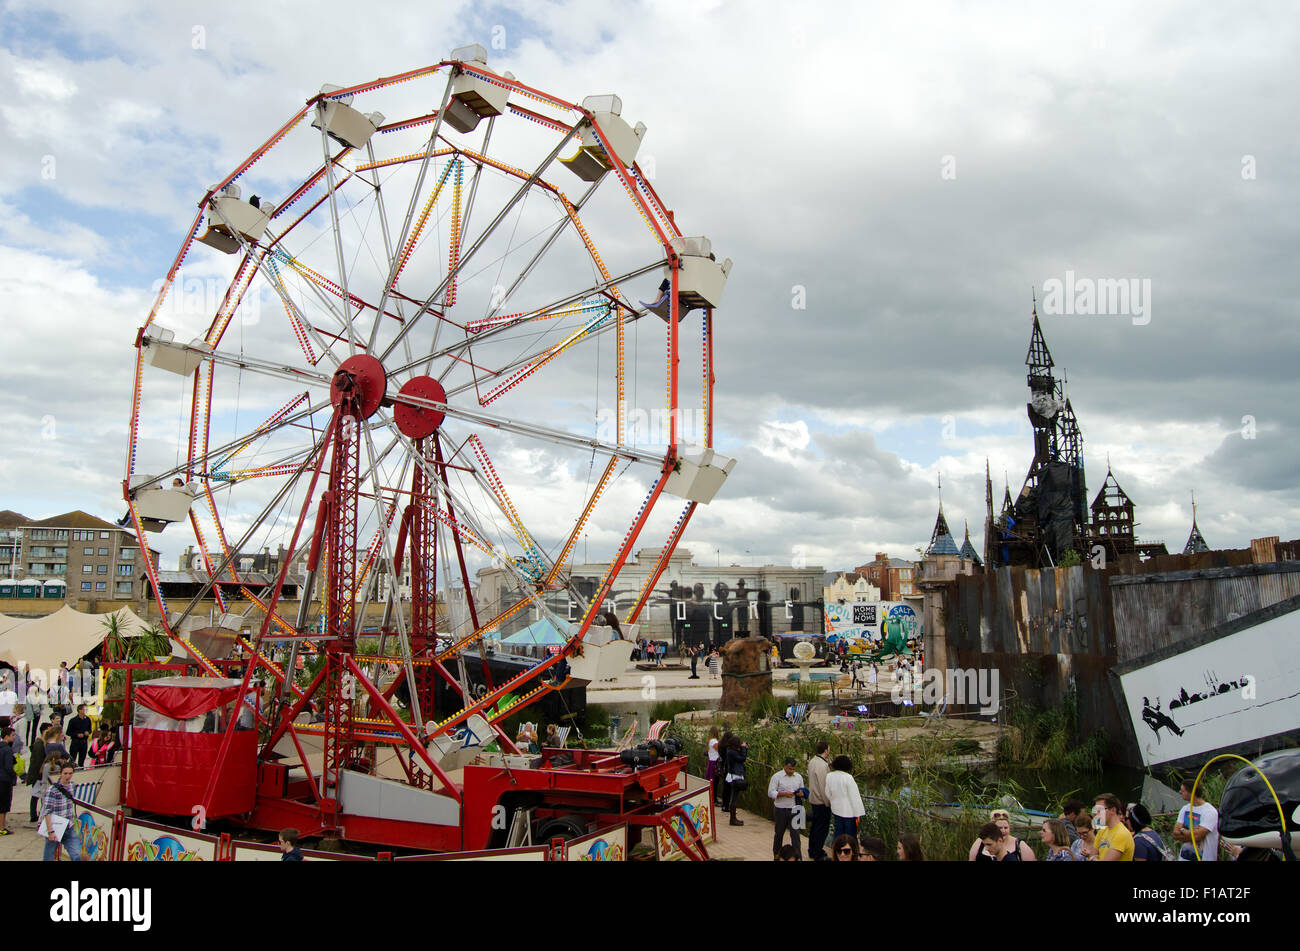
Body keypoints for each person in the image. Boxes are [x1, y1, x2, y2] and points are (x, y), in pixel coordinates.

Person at [39, 762, 80, 861]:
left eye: (70, 773)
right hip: (55, 827)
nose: (68, 776)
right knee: (48, 857)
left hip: (68, 827)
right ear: (61, 773)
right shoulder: (52, 790)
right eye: (65, 773)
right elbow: (47, 811)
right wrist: (50, 831)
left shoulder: (72, 785)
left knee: (76, 855)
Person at [1173, 776, 1219, 861]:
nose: (1180, 792)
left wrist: (1183, 830)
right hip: (1184, 858)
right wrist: (1191, 833)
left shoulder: (1210, 812)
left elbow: (1197, 836)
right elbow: (1175, 834)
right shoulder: (1185, 808)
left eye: (1182, 791)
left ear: (1191, 793)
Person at [768, 756, 804, 860]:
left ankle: (798, 857)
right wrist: (783, 794)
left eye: (793, 769)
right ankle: (777, 856)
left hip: (796, 809)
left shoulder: (799, 777)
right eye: (789, 769)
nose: (791, 771)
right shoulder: (777, 777)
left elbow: (802, 790)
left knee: (796, 836)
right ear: (784, 766)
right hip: (781, 809)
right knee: (779, 834)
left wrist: (801, 793)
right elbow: (770, 792)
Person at [825, 754, 865, 839]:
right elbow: (854, 797)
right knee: (850, 837)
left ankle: (836, 851)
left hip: (836, 810)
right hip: (849, 813)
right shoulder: (848, 778)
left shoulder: (829, 776)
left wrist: (834, 801)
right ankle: (849, 851)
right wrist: (858, 814)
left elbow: (827, 793)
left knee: (838, 835)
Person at [970, 809, 1034, 861]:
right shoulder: (980, 842)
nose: (1003, 831)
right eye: (1000, 828)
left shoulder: (1019, 845)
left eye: (1006, 828)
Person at [806, 740, 832, 861]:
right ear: (826, 750)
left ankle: (813, 849)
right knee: (821, 828)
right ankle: (817, 852)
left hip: (814, 799)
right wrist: (828, 802)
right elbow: (823, 785)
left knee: (815, 827)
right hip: (821, 801)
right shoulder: (822, 765)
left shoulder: (812, 761)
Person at [1093, 793, 1134, 861]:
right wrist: (1093, 857)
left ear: (1113, 810)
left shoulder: (1121, 834)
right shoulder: (1102, 830)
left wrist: (1094, 858)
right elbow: (1092, 853)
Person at [24, 722, 49, 822]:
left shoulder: (43, 742)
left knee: (38, 794)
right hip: (38, 774)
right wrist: (40, 773)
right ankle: (33, 815)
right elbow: (38, 761)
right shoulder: (39, 743)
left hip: (40, 773)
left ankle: (37, 813)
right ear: (44, 731)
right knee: (36, 794)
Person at [723, 735, 748, 826]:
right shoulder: (731, 752)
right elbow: (742, 758)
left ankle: (733, 818)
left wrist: (744, 749)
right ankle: (732, 819)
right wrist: (744, 748)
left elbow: (741, 757)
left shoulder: (731, 751)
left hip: (734, 775)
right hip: (735, 776)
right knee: (734, 798)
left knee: (734, 797)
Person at [0, 726, 16, 835]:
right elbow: (9, 767)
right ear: (6, 737)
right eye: (12, 735)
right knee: (4, 805)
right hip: (5, 780)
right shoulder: (7, 750)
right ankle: (1, 827)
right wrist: (14, 776)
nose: (14, 737)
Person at [66, 703, 92, 768]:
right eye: (84, 709)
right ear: (79, 710)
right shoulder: (73, 720)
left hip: (84, 742)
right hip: (75, 742)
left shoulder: (88, 719)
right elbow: (68, 732)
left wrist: (88, 732)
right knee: (72, 759)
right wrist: (77, 735)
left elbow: (90, 729)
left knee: (82, 760)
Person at [706, 727, 722, 805]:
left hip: (712, 761)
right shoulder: (714, 741)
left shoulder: (710, 741)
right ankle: (714, 799)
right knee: (715, 782)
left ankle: (713, 798)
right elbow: (719, 749)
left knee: (714, 782)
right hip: (714, 762)